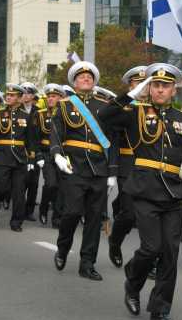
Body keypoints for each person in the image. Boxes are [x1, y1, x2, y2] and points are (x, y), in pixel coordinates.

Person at [100, 63, 182, 320]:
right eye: (155, 85)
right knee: (151, 248)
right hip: (144, 190)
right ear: (149, 88)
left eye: (165, 86)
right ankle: (133, 282)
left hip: (174, 194)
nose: (160, 90)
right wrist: (131, 94)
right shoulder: (135, 113)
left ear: (173, 89)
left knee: (169, 253)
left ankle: (160, 308)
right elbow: (105, 116)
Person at [51, 61, 115, 281]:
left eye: (89, 77)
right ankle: (63, 246)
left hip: (98, 168)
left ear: (94, 81)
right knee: (72, 212)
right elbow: (56, 133)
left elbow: (112, 140)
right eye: (81, 77)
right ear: (74, 83)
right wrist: (57, 154)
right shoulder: (64, 105)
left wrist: (112, 171)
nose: (86, 79)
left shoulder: (105, 105)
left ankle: (87, 263)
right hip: (74, 167)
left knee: (95, 219)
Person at [107, 66, 147, 267]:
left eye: (144, 83)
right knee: (130, 214)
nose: (142, 87)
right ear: (130, 86)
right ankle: (115, 241)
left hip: (151, 169)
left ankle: (149, 261)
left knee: (149, 218)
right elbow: (113, 139)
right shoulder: (124, 109)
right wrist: (113, 170)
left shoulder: (155, 108)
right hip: (127, 165)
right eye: (137, 83)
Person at [0, 84, 35, 232]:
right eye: (7, 95)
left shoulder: (26, 116)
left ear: (20, 99)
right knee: (1, 188)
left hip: (20, 158)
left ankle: (16, 222)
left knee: (19, 193)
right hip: (2, 157)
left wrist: (31, 159)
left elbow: (31, 140)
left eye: (12, 95)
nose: (8, 97)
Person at [35, 84, 66, 227]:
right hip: (46, 153)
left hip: (63, 154)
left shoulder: (66, 113)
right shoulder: (40, 114)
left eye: (54, 96)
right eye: (49, 96)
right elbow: (34, 137)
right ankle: (43, 207)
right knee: (51, 184)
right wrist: (38, 155)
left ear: (61, 98)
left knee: (61, 186)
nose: (50, 99)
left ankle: (57, 218)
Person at [20, 82, 42, 221]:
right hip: (20, 149)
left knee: (33, 182)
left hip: (35, 149)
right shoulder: (16, 109)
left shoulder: (38, 111)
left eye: (28, 93)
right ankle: (20, 209)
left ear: (33, 95)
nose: (25, 96)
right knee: (21, 182)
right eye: (23, 93)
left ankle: (29, 211)